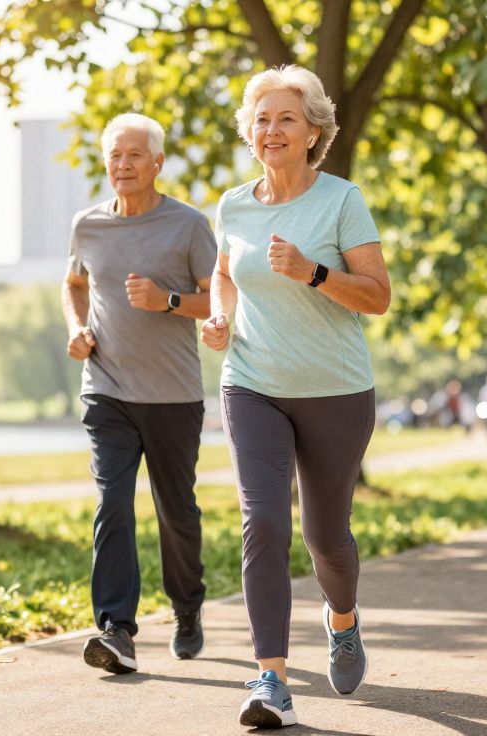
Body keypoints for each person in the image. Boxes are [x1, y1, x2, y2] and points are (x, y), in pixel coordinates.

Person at [201, 65, 390, 730]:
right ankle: (272, 680)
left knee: (326, 538)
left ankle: (342, 619)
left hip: (335, 390)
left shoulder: (341, 200)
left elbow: (377, 296)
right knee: (263, 522)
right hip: (252, 383)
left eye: (286, 118)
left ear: (314, 133)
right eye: (262, 119)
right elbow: (224, 273)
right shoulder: (233, 205)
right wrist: (219, 316)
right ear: (249, 133)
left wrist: (313, 272)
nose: (272, 130)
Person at [62, 113, 216, 675]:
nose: (123, 165)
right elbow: (74, 283)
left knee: (176, 513)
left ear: (157, 163)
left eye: (134, 155)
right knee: (112, 506)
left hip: (174, 396)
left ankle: (187, 608)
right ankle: (116, 630)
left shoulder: (189, 225)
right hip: (107, 391)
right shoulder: (88, 225)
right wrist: (77, 328)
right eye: (115, 155)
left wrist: (167, 301)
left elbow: (219, 300)